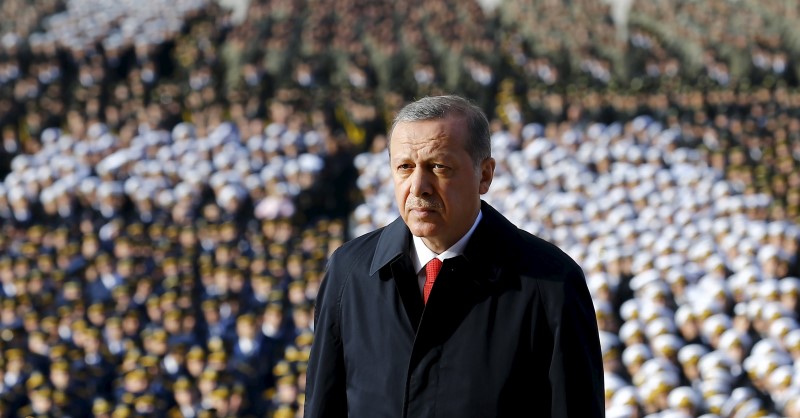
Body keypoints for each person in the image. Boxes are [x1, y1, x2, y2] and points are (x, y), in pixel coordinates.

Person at [304, 95, 604, 417]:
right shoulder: (349, 272)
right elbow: (324, 403)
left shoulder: (551, 284)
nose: (419, 187)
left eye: (439, 167)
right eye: (405, 167)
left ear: (485, 175)